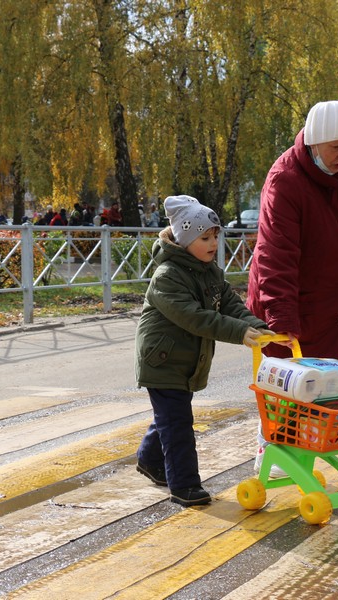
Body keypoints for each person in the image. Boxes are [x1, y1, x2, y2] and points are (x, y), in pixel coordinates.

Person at [245, 100, 338, 480]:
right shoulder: (285, 180)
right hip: (293, 297)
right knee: (290, 381)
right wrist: (281, 317)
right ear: (314, 142)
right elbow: (274, 253)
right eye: (336, 148)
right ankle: (277, 453)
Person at [135, 195, 271, 507]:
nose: (212, 244)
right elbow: (195, 318)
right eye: (204, 237)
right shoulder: (167, 276)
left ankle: (150, 459)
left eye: (215, 236)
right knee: (178, 422)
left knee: (170, 417)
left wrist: (254, 324)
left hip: (185, 360)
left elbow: (231, 302)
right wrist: (240, 333)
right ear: (184, 241)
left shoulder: (209, 271)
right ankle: (184, 486)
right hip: (162, 360)